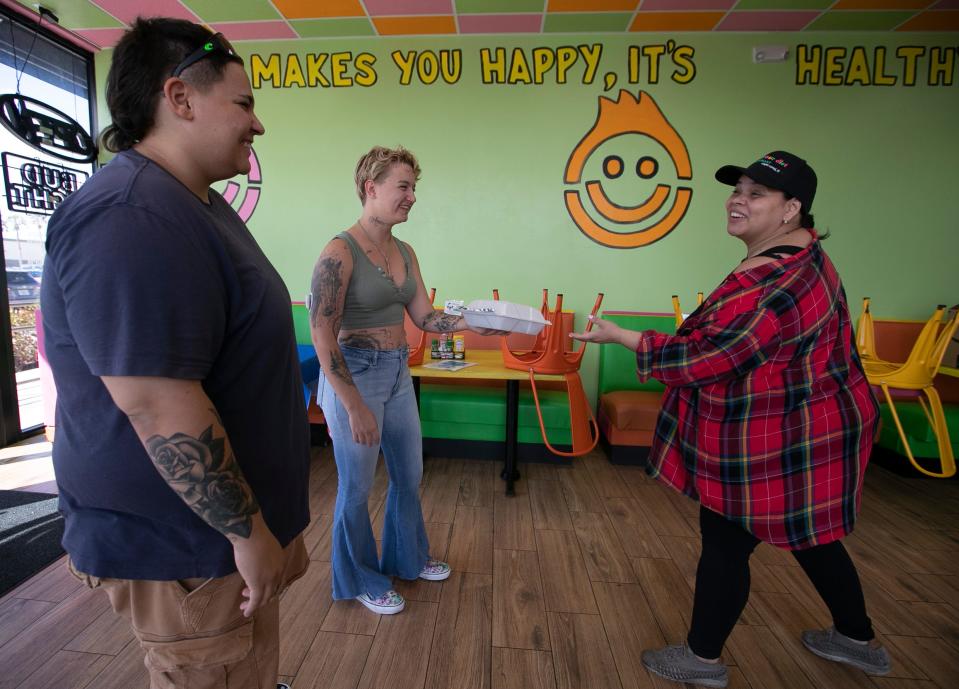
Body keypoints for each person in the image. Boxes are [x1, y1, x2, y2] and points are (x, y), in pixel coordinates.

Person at [41, 18, 309, 689]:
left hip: (218, 542)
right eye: (243, 103)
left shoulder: (193, 203)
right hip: (185, 547)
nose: (257, 124)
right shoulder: (131, 214)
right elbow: (157, 406)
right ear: (179, 99)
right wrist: (247, 533)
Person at [572, 151, 889, 688]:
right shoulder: (800, 254)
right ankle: (857, 641)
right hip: (812, 424)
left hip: (783, 435)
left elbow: (704, 359)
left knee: (725, 540)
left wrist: (624, 336)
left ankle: (702, 661)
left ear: (791, 210)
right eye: (738, 189)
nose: (738, 200)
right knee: (810, 536)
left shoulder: (774, 282)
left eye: (756, 193)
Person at [309, 146, 502, 615]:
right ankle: (360, 577)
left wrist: (471, 323)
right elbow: (321, 332)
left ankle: (406, 557)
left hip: (397, 372)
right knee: (355, 487)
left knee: (408, 474)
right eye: (403, 186)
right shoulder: (339, 251)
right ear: (370, 188)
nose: (412, 196)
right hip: (354, 375)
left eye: (414, 187)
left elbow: (425, 317)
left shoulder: (405, 250)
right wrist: (352, 404)